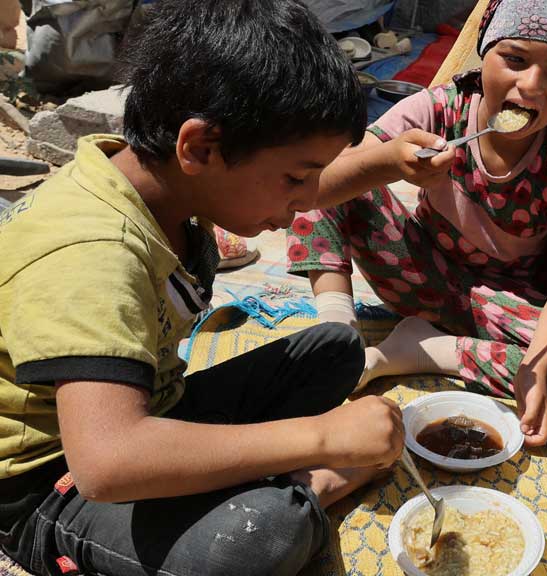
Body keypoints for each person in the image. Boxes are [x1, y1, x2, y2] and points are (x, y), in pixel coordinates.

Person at [0, 2, 405, 575]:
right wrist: (320, 441)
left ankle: (254, 476)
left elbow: (287, 187)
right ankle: (310, 489)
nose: (305, 200)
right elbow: (106, 464)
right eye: (297, 177)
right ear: (200, 147)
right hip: (52, 477)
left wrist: (390, 161)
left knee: (335, 348)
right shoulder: (91, 253)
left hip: (153, 406)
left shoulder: (163, 176)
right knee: (254, 538)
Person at [287, 0, 547, 448]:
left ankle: (427, 351)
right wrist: (387, 161)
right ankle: (337, 335)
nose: (531, 86)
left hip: (504, 308)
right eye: (514, 59)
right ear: (485, 53)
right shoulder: (441, 109)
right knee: (316, 185)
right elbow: (316, 188)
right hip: (419, 276)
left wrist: (533, 370)